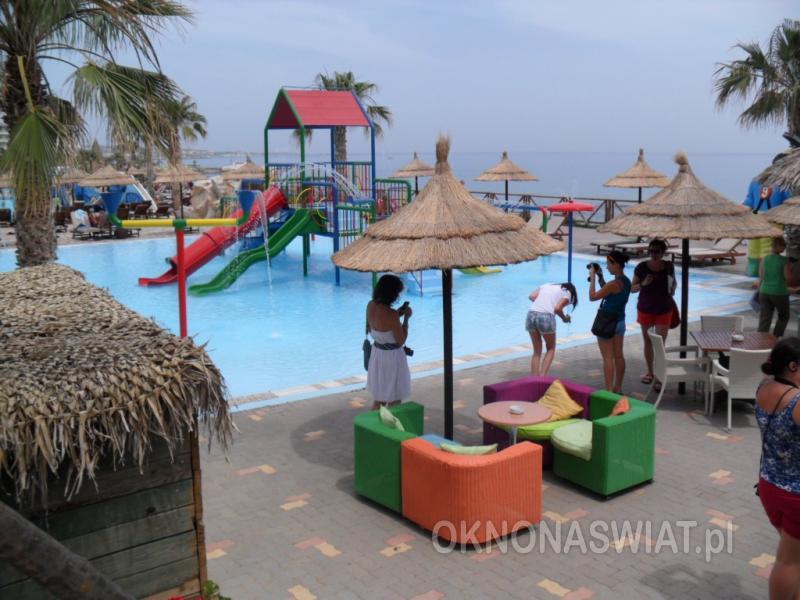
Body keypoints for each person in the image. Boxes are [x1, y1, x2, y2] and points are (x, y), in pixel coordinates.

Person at [755, 338, 800, 599]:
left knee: (792, 554)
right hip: (795, 495)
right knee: (788, 561)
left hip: (769, 486)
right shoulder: (796, 401)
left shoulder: (764, 386)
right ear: (793, 366)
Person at [631, 239, 677, 388]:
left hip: (664, 309)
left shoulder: (669, 266)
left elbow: (673, 283)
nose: (653, 254)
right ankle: (650, 372)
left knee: (660, 344)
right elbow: (632, 288)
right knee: (648, 341)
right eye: (651, 251)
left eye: (656, 251)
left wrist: (673, 288)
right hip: (645, 308)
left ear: (663, 253)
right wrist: (643, 284)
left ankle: (659, 375)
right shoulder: (641, 267)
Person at [366, 274, 412, 410]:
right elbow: (401, 340)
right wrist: (406, 319)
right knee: (395, 399)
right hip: (392, 358)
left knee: (379, 399)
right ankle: (390, 423)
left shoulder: (370, 305)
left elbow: (381, 323)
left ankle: (373, 423)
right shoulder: (391, 314)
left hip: (377, 355)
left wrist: (398, 314)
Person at [589, 251, 631, 393]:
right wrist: (600, 276)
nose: (607, 267)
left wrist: (592, 277)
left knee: (607, 358)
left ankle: (608, 391)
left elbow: (593, 296)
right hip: (620, 322)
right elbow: (608, 291)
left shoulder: (613, 284)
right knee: (619, 356)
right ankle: (618, 388)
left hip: (607, 323)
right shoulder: (626, 281)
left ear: (616, 264)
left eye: (608, 264)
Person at [526, 282, 577, 375]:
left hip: (531, 314)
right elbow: (557, 309)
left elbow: (532, 296)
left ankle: (534, 380)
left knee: (537, 351)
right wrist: (564, 318)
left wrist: (543, 304)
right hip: (546, 317)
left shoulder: (546, 285)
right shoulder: (568, 292)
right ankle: (542, 378)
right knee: (550, 348)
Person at [759, 236, 795, 338]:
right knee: (784, 316)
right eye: (784, 245)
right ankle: (775, 338)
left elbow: (761, 277)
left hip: (764, 291)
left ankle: (760, 340)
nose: (785, 248)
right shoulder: (784, 260)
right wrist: (791, 269)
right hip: (779, 293)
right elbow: (789, 279)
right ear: (779, 246)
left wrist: (759, 291)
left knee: (765, 318)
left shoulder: (764, 259)